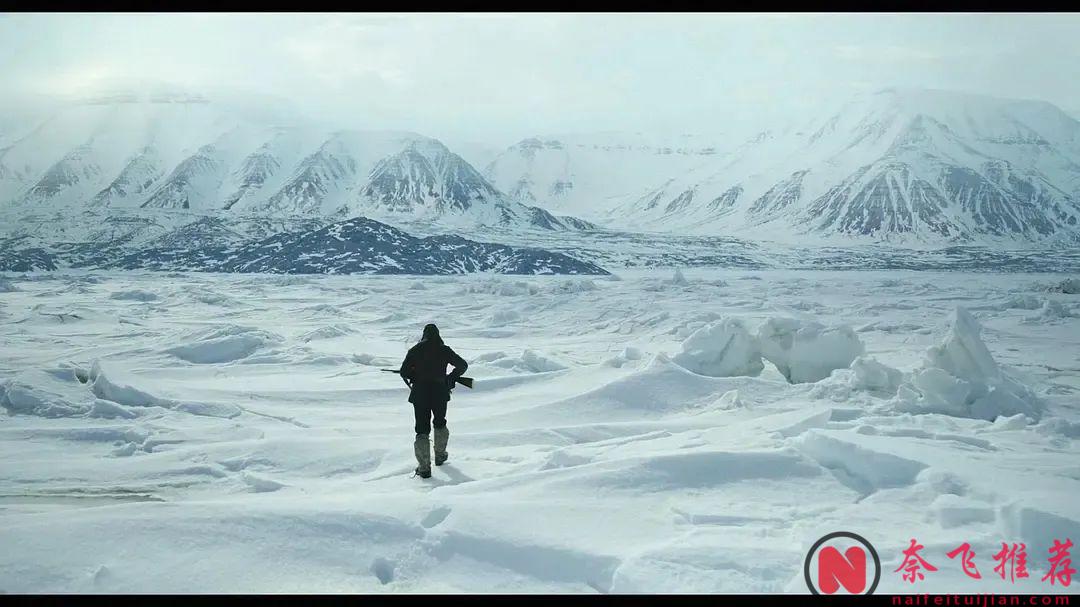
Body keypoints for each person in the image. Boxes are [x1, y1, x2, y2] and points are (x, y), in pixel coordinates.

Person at [399, 323, 468, 478]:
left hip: (420, 394)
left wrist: (414, 375)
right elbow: (462, 365)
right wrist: (450, 378)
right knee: (440, 422)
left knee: (421, 430)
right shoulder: (444, 350)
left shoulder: (415, 350)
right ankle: (440, 455)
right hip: (440, 393)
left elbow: (404, 372)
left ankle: (424, 467)